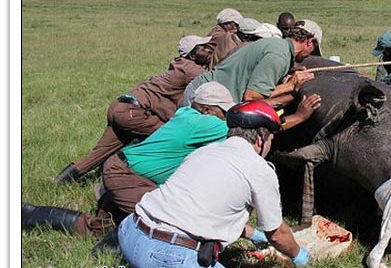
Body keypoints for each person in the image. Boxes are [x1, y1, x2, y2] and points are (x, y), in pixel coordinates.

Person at [22, 83, 321, 241]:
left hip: (123, 169)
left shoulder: (185, 114)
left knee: (101, 226)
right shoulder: (205, 124)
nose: (227, 117)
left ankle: (32, 215)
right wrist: (299, 116)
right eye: (223, 111)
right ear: (207, 108)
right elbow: (251, 129)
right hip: (131, 177)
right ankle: (120, 261)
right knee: (160, 227)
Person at [118, 101, 311, 268]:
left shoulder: (204, 152)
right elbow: (277, 234)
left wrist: (255, 235)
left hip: (130, 232)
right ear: (260, 139)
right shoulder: (260, 170)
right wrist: (299, 255)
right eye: (271, 138)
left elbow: (210, 210)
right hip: (166, 256)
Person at [52, 35, 214, 185]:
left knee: (97, 154)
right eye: (203, 47)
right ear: (192, 55)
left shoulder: (178, 64)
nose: (209, 49)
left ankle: (58, 183)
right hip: (133, 113)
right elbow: (211, 84)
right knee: (169, 137)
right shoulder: (191, 68)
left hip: (121, 107)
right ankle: (138, 175)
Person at [184, 23, 321, 108]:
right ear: (309, 42)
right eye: (313, 49)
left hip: (205, 92)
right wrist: (290, 86)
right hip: (204, 99)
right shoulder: (279, 56)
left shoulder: (277, 45)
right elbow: (252, 97)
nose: (310, 55)